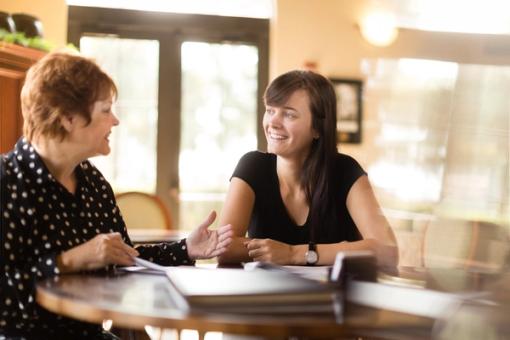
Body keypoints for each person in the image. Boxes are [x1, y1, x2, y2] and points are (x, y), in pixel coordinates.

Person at [0, 52, 233, 339]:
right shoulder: (7, 182)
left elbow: (124, 258)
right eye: (106, 110)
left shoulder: (94, 182)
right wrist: (68, 261)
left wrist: (185, 249)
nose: (116, 121)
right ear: (68, 118)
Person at [217, 70, 397, 266]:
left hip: (332, 295)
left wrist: (293, 254)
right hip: (266, 295)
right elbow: (224, 248)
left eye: (288, 114)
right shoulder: (252, 166)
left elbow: (387, 251)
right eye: (270, 110)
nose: (273, 123)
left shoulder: (346, 171)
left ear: (318, 128)